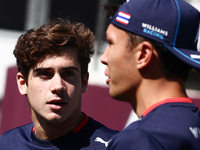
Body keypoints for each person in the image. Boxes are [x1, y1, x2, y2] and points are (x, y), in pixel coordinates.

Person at [0, 18, 118, 149]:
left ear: (84, 82)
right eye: (44, 74)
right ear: (22, 84)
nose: (58, 86)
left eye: (68, 74)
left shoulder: (115, 146)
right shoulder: (6, 144)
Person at [100, 0, 200, 149]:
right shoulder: (193, 125)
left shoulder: (137, 140)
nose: (103, 58)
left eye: (111, 43)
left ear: (143, 55)